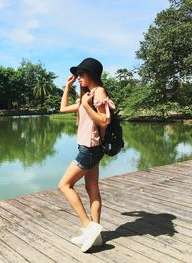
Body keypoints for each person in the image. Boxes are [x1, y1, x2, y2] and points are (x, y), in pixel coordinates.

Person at [58, 57, 115, 252]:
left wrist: (87, 105)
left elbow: (104, 121)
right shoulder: (88, 95)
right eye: (77, 75)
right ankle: (96, 237)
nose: (78, 77)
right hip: (91, 149)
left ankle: (89, 226)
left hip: (89, 149)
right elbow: (63, 108)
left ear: (91, 74)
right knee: (93, 190)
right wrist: (67, 87)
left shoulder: (98, 92)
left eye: (81, 74)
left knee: (64, 185)